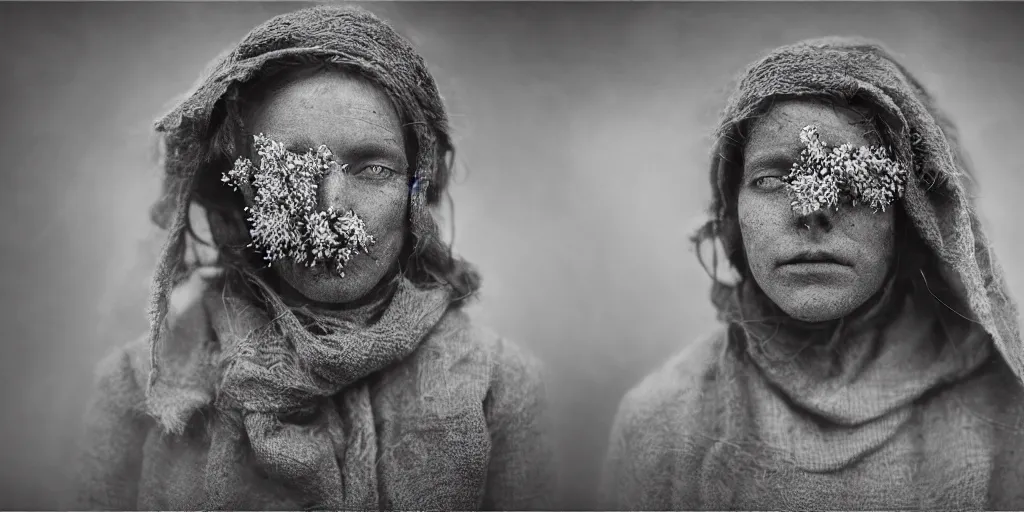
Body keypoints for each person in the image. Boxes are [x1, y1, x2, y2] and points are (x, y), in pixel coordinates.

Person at [73, 5, 555, 510]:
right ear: (240, 191)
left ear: (419, 184)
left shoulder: (499, 385)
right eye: (290, 169)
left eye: (372, 169)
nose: (329, 208)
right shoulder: (137, 390)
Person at [601, 37, 1024, 510]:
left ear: (909, 216)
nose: (811, 208)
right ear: (731, 213)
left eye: (850, 178)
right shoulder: (667, 420)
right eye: (772, 179)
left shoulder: (1003, 416)